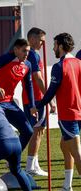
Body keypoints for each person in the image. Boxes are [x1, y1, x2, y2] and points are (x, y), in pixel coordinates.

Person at [31, 33, 81, 191]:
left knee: (76, 153)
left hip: (69, 114)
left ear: (60, 46)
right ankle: (67, 186)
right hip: (78, 111)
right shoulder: (79, 63)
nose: (52, 48)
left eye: (54, 45)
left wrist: (38, 106)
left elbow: (50, 92)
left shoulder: (60, 66)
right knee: (64, 146)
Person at [0, 38, 35, 178]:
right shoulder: (6, 58)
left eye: (28, 51)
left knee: (28, 131)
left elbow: (28, 86)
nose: (26, 54)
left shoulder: (27, 65)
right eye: (24, 51)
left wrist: (32, 106)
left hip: (9, 103)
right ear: (16, 49)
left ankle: (11, 159)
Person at [23, 27, 56, 176]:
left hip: (31, 98)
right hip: (37, 99)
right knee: (36, 131)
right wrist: (49, 99)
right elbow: (38, 78)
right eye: (41, 40)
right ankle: (30, 166)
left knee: (36, 131)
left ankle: (33, 163)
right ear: (33, 39)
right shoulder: (33, 55)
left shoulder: (28, 54)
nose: (43, 44)